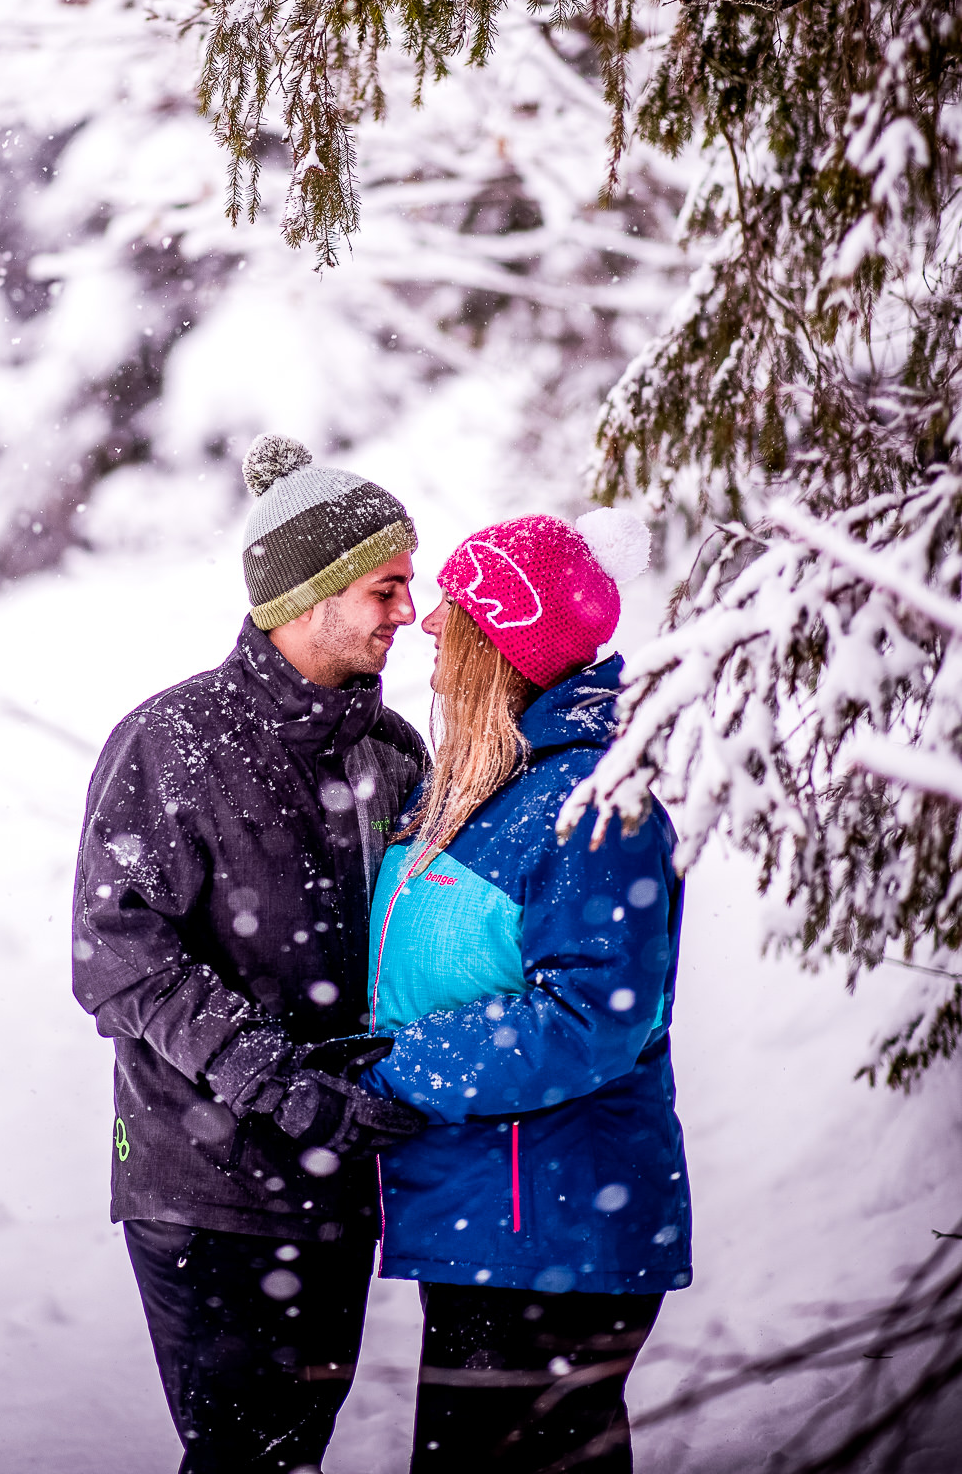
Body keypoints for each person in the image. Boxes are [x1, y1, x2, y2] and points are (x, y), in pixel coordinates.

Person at [73, 432, 429, 1473]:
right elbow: (115, 954)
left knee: (294, 1455)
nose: (406, 611)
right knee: (243, 1461)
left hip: (336, 1185)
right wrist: (276, 1080)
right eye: (385, 587)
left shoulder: (391, 751)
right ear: (308, 595)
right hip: (205, 1182)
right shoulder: (168, 741)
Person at [364, 509, 692, 1473]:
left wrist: (399, 1068)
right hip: (490, 1216)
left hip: (551, 1224)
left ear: (499, 648)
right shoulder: (485, 791)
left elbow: (595, 1017)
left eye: (452, 626)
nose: (426, 639)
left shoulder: (589, 800)